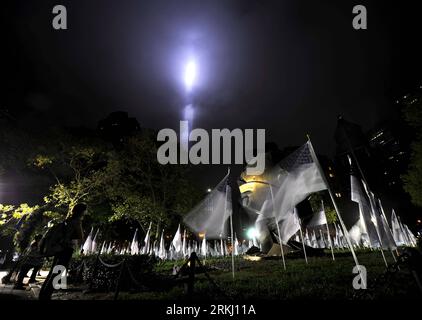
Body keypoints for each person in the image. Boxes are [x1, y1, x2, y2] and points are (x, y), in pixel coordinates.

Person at [38, 203, 86, 300]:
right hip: (66, 249)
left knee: (53, 271)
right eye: (85, 210)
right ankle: (47, 296)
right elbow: (81, 236)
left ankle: (43, 294)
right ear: (82, 211)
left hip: (60, 248)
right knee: (58, 272)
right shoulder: (77, 221)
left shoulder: (67, 220)